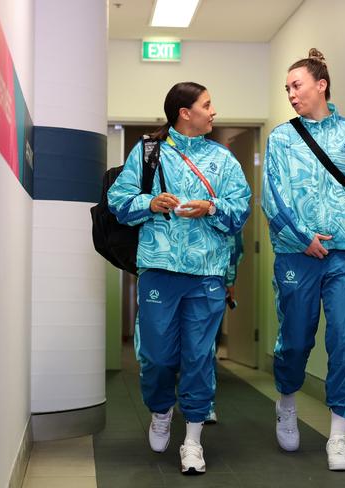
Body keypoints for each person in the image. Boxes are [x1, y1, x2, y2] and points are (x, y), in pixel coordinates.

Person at [108, 82, 251, 475]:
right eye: (207, 105)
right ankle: (159, 410)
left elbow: (241, 210)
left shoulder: (223, 160)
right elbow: (118, 200)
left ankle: (192, 440)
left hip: (207, 272)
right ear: (184, 113)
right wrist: (149, 202)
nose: (213, 111)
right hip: (159, 268)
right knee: (156, 355)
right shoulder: (148, 153)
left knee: (199, 356)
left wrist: (212, 206)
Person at [261, 49, 345, 471]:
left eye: (296, 85)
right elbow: (272, 196)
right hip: (297, 254)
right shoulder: (281, 137)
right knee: (297, 338)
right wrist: (301, 238)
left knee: (344, 343)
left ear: (321, 85)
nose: (291, 94)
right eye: (287, 89)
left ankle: (338, 437)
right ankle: (286, 402)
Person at [205, 231, 244, 424]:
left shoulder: (222, 201)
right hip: (171, 272)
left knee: (207, 346)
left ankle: (205, 404)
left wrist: (229, 281)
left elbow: (234, 245)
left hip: (212, 278)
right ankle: (165, 403)